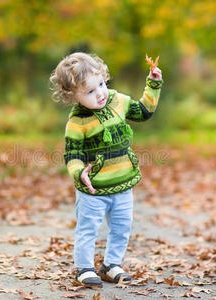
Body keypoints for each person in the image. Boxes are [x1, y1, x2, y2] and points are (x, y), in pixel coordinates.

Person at [50, 52, 163, 288]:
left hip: (122, 183)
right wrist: (78, 172)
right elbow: (72, 154)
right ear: (73, 96)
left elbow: (143, 111)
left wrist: (152, 85)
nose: (100, 93)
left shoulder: (118, 101)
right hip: (92, 188)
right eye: (90, 91)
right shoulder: (77, 122)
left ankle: (111, 264)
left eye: (101, 84)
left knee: (122, 226)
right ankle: (84, 267)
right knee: (88, 228)